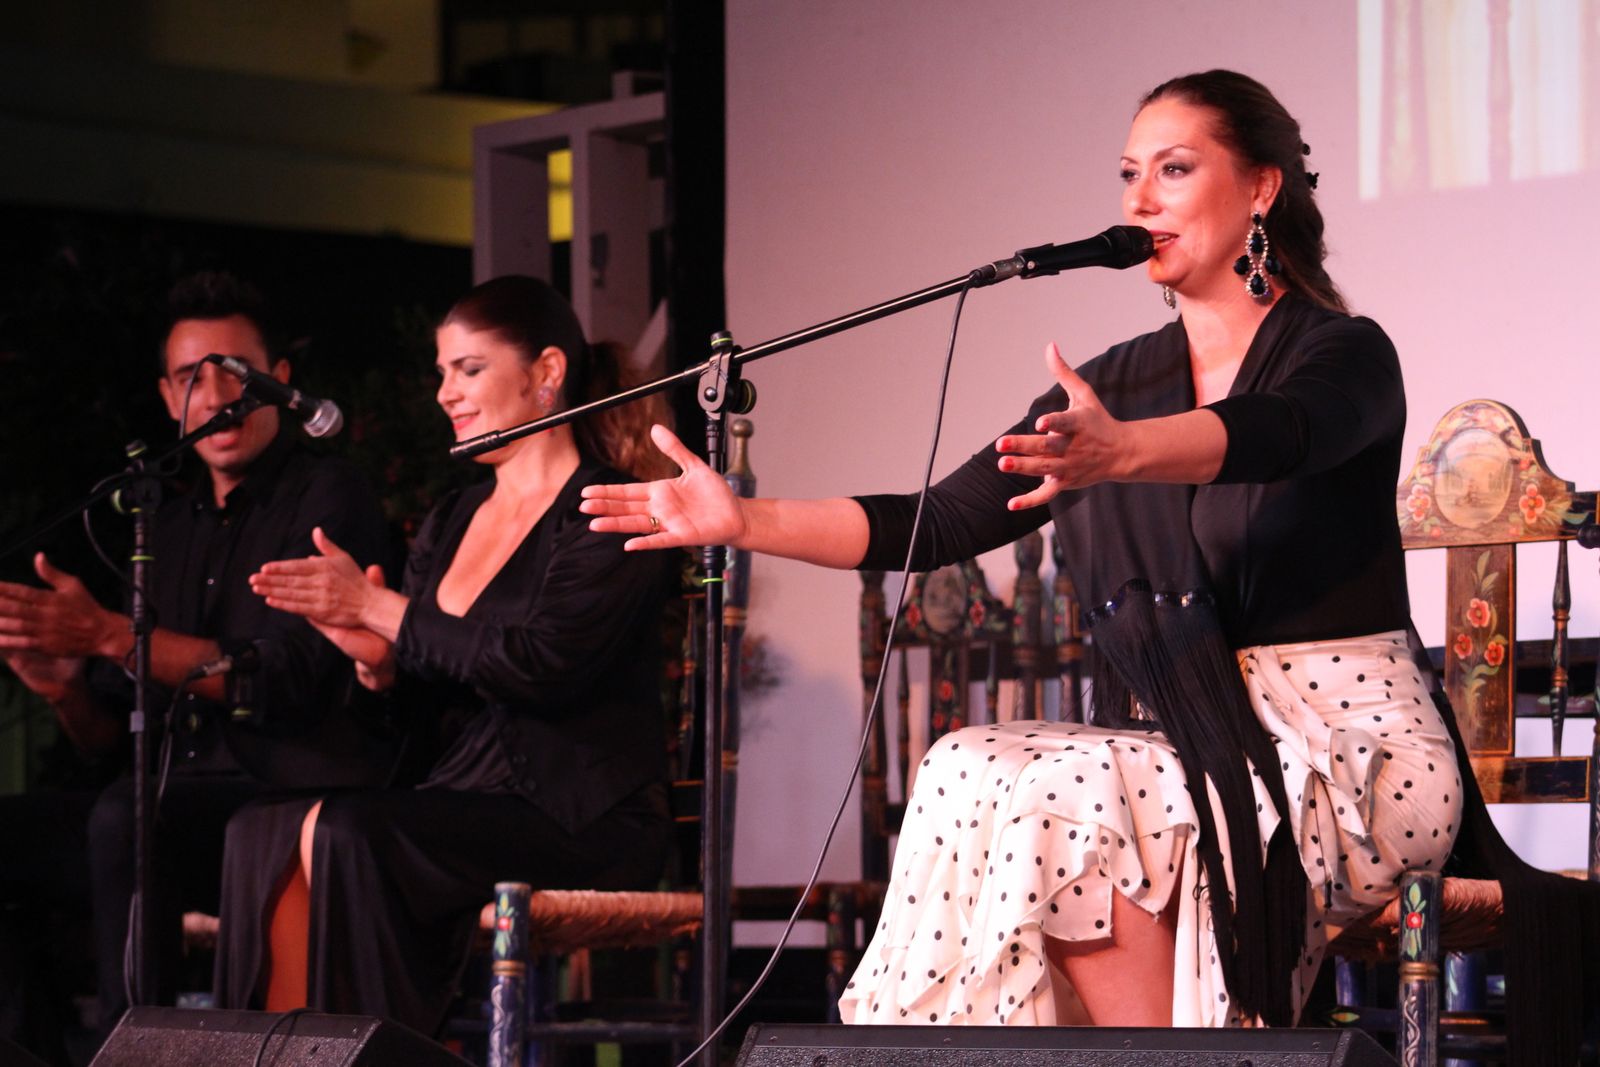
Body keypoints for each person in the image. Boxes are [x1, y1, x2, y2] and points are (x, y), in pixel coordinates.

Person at [580, 68, 1598, 1057]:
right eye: (1127, 174)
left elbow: (1276, 432)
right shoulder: (1118, 384)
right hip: (1185, 746)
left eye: (1173, 169)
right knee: (966, 763)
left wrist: (1126, 450)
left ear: (1259, 190)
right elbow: (938, 520)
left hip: (1354, 753)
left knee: (1079, 785)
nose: (1139, 197)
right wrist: (739, 520)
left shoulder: (1343, 354)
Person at [211, 274, 676, 1038]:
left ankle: (375, 1055)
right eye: (441, 373)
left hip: (581, 816)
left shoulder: (609, 507)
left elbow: (542, 665)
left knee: (349, 832)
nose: (445, 394)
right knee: (255, 829)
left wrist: (382, 610)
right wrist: (378, 663)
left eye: (468, 369)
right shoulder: (453, 516)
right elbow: (421, 704)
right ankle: (279, 1056)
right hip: (465, 798)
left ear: (547, 373)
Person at [0, 270, 394, 1061]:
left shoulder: (330, 497)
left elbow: (290, 680)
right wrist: (69, 692)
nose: (214, 394)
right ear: (165, 393)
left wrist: (114, 636)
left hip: (285, 793)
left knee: (127, 815)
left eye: (235, 373)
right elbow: (112, 738)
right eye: (191, 377)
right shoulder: (162, 523)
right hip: (173, 796)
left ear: (280, 384)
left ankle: (133, 1053)